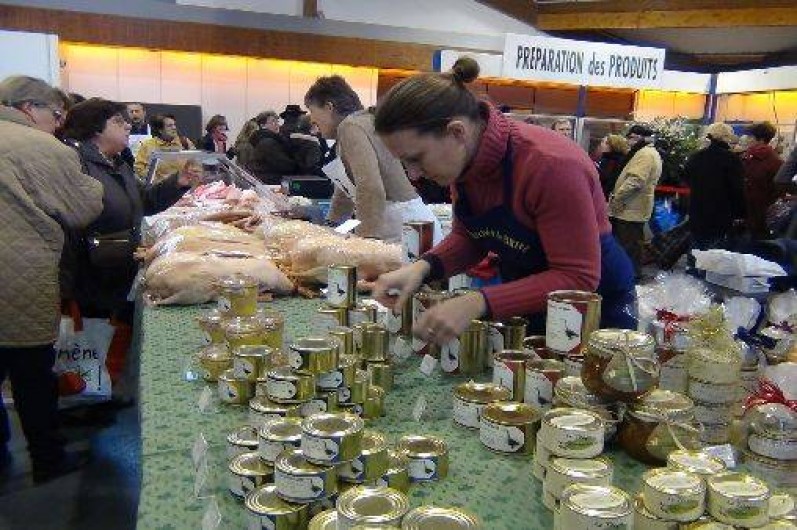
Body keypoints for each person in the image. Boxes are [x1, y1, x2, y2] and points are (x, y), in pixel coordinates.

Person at [371, 58, 635, 343]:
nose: (413, 174)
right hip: (530, 297)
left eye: (416, 158)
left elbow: (577, 278)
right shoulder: (467, 162)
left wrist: (477, 302)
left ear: (457, 132)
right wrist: (422, 268)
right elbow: (470, 237)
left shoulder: (551, 166)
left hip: (596, 310)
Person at [0, 75, 104, 482]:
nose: (59, 124)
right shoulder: (41, 147)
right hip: (18, 276)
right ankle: (48, 460)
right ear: (29, 108)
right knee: (31, 374)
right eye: (56, 114)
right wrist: (94, 181)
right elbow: (82, 207)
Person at [61, 98, 200, 325]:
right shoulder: (75, 163)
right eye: (118, 121)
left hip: (120, 274)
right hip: (94, 282)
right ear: (96, 128)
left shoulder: (118, 163)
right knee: (98, 344)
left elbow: (144, 202)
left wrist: (178, 182)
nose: (127, 126)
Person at [305, 75, 440, 243]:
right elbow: (346, 194)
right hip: (402, 221)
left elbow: (370, 188)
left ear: (328, 107)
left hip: (400, 225)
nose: (311, 119)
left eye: (312, 110)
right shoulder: (359, 122)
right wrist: (332, 228)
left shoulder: (350, 127)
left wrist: (365, 241)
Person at [607, 124, 663, 277]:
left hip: (630, 209)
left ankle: (630, 278)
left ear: (642, 138)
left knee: (629, 247)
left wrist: (617, 198)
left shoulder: (645, 154)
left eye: (632, 138)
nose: (629, 141)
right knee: (629, 246)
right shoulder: (645, 153)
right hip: (631, 208)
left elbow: (636, 181)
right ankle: (628, 276)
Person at [683, 123, 745, 252]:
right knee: (715, 255)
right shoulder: (732, 159)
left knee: (696, 250)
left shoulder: (696, 157)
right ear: (727, 138)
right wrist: (740, 213)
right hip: (721, 214)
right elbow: (737, 189)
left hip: (697, 211)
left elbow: (686, 179)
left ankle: (694, 270)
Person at [742, 122, 783, 239]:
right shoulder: (777, 160)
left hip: (750, 214)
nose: (747, 139)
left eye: (750, 137)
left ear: (760, 139)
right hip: (765, 214)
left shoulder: (747, 158)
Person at [133, 114, 195, 181]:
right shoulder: (148, 145)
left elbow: (196, 162)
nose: (174, 128)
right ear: (160, 130)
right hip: (159, 188)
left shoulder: (185, 142)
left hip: (184, 187)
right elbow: (139, 168)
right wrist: (156, 180)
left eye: (174, 125)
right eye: (169, 126)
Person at [248, 110, 297, 184]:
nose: (277, 124)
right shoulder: (268, 142)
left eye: (277, 121)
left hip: (268, 180)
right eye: (273, 121)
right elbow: (283, 164)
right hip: (271, 181)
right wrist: (298, 164)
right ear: (262, 125)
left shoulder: (268, 139)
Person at [596, 134, 629, 200]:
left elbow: (604, 179)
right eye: (602, 141)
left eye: (605, 143)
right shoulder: (617, 159)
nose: (601, 144)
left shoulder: (611, 160)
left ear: (613, 145)